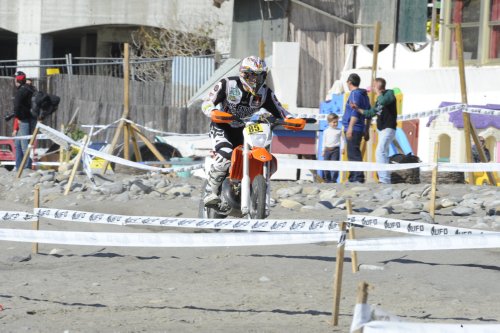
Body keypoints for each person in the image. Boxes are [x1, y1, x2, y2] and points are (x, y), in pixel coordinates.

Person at [201, 55, 291, 206]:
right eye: (251, 76)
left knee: (256, 153)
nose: (255, 81)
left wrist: (293, 120)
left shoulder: (265, 93)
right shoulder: (228, 84)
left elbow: (281, 111)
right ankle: (211, 192)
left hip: (245, 129)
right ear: (243, 74)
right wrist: (213, 112)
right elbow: (207, 103)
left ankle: (256, 190)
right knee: (225, 154)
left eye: (259, 76)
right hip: (223, 126)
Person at [351, 77, 397, 184]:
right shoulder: (378, 100)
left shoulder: (389, 94)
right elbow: (370, 113)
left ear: (377, 85)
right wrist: (357, 109)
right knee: (384, 153)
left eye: (374, 85)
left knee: (379, 151)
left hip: (388, 128)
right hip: (382, 129)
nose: (372, 87)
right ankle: (386, 179)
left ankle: (383, 180)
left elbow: (385, 100)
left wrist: (378, 93)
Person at [342, 73, 370, 183]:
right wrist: (366, 129)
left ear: (350, 82)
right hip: (360, 128)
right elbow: (368, 113)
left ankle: (357, 177)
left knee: (353, 154)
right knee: (354, 152)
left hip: (353, 128)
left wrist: (350, 127)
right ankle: (354, 176)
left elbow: (355, 112)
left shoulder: (354, 94)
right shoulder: (364, 95)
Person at [13, 71, 36, 170]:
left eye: (15, 78)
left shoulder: (21, 91)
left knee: (24, 144)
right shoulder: (30, 88)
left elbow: (17, 106)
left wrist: (18, 118)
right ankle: (19, 167)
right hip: (31, 118)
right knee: (18, 143)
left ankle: (27, 167)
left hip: (24, 120)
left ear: (17, 80)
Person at [321, 113, 342, 183]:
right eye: (334, 122)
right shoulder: (326, 131)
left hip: (335, 150)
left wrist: (342, 148)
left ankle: (334, 179)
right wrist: (323, 150)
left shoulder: (339, 131)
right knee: (326, 165)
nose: (335, 124)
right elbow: (324, 141)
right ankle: (327, 179)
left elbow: (342, 140)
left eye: (337, 122)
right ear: (329, 122)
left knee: (335, 165)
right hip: (327, 150)